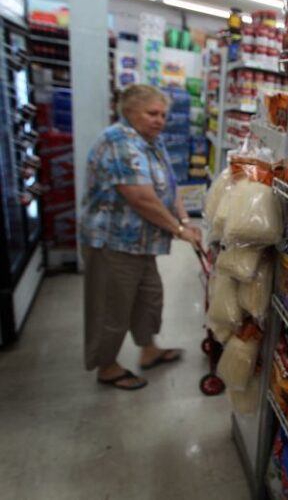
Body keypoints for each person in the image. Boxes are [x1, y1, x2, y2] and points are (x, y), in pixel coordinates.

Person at [79, 84, 203, 390]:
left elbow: (170, 185)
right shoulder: (119, 142)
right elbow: (140, 197)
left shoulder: (151, 141)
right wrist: (178, 230)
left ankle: (149, 349)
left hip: (141, 242)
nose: (159, 120)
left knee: (149, 297)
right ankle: (106, 366)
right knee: (112, 307)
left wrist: (185, 219)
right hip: (113, 242)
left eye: (162, 114)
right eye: (152, 113)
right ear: (130, 111)